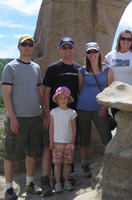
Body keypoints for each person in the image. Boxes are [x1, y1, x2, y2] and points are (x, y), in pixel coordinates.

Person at [2, 34, 43, 200]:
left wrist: (45, 112)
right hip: (18, 117)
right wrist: (12, 117)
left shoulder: (36, 67)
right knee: (11, 154)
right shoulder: (10, 67)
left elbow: (38, 91)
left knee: (32, 153)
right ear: (18, 47)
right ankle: (9, 188)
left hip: (35, 116)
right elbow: (6, 94)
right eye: (24, 44)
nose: (27, 47)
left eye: (30, 44)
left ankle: (30, 184)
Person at [41, 37, 80, 195]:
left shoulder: (78, 69)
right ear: (60, 50)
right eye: (64, 47)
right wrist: (45, 112)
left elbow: (80, 90)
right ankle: (54, 179)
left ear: (73, 49)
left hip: (72, 113)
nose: (67, 50)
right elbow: (46, 92)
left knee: (69, 143)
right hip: (55, 114)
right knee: (54, 144)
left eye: (69, 47)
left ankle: (67, 177)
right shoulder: (53, 68)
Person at [77, 42, 113, 177]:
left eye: (94, 52)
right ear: (86, 54)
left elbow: (111, 89)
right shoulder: (81, 70)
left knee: (106, 137)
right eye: (89, 52)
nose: (92, 54)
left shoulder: (108, 70)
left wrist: (105, 106)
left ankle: (108, 164)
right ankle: (85, 164)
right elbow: (80, 89)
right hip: (83, 108)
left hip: (100, 108)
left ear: (99, 53)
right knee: (84, 138)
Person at [105, 29, 132, 116]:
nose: (126, 41)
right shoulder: (109, 56)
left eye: (129, 39)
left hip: (131, 96)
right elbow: (105, 78)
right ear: (119, 40)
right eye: (123, 38)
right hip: (115, 96)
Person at [49, 86, 77, 193]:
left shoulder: (72, 112)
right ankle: (57, 182)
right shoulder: (53, 112)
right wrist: (51, 141)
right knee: (57, 163)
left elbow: (74, 128)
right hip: (57, 142)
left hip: (68, 142)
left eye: (65, 98)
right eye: (60, 98)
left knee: (67, 163)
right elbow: (51, 127)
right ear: (56, 99)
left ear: (69, 99)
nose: (63, 100)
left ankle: (67, 181)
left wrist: (73, 142)